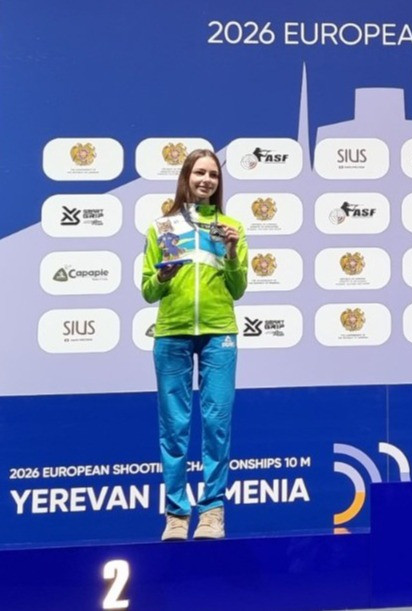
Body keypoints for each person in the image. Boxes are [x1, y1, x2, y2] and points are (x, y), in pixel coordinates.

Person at [141, 149, 248, 540]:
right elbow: (147, 291)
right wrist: (163, 277)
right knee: (174, 426)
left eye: (213, 175)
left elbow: (238, 288)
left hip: (220, 333)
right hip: (172, 332)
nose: (206, 180)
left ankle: (212, 512)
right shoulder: (161, 227)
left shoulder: (231, 227)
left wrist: (232, 253)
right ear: (186, 177)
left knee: (217, 424)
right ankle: (176, 514)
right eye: (199, 172)